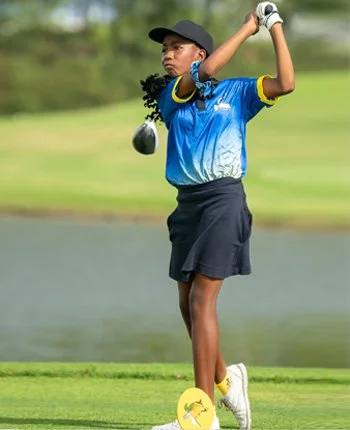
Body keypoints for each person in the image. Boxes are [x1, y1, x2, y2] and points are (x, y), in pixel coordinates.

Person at [140, 2, 295, 430]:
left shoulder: (239, 93)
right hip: (187, 206)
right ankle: (228, 382)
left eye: (176, 47)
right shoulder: (171, 96)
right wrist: (248, 27)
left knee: (202, 300)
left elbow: (286, 82)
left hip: (224, 200)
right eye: (164, 50)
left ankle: (202, 415)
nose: (167, 54)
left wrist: (272, 26)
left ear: (200, 53)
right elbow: (205, 76)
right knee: (187, 306)